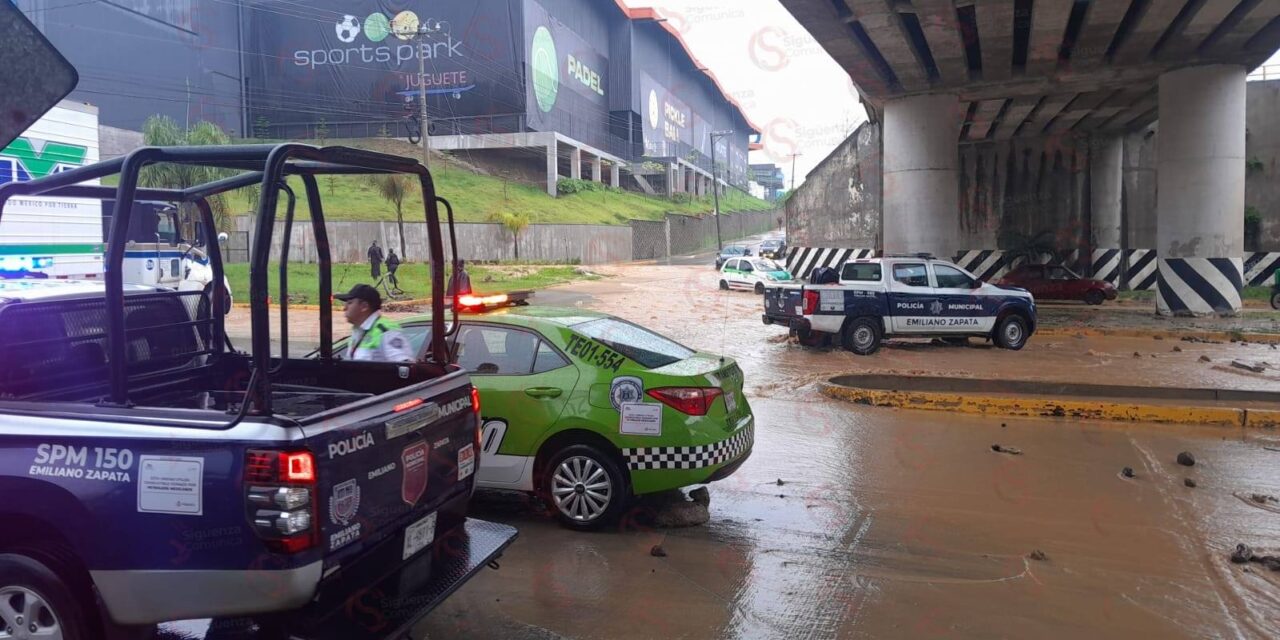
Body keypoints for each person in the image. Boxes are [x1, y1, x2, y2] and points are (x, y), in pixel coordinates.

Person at [335, 283, 414, 362]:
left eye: (350, 303)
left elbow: (404, 367)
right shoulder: (358, 330)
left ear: (364, 306)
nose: (344, 308)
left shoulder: (385, 330)